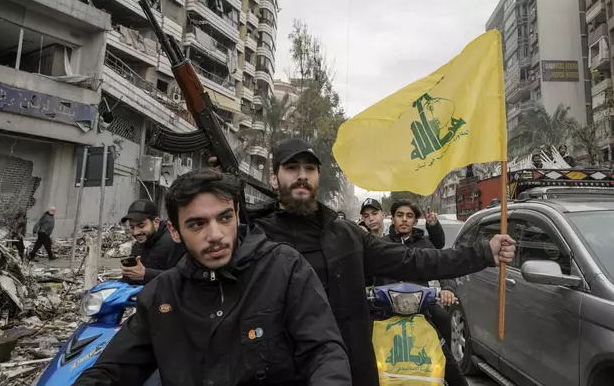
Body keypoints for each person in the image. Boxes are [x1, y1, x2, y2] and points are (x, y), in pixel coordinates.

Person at [230, 138, 516, 386]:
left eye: (309, 169)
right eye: (292, 168)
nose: (301, 176)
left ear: (318, 177)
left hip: (352, 367)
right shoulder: (253, 237)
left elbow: (413, 260)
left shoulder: (346, 234)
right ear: (274, 177)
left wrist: (482, 252)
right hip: (282, 372)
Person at [74, 168, 352, 386]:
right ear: (174, 231)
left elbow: (323, 352)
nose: (216, 234)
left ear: (237, 215)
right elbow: (115, 369)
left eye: (224, 218)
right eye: (197, 224)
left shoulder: (284, 268)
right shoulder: (161, 295)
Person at [379, 199, 465, 385]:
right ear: (392, 218)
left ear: (415, 221)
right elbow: (364, 270)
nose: (404, 220)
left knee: (442, 317)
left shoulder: (425, 244)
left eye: (409, 216)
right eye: (400, 215)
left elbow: (442, 265)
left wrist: (447, 288)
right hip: (385, 311)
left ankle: (445, 370)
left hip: (421, 309)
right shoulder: (380, 244)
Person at [119, 199, 184, 285]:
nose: (136, 232)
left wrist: (146, 274)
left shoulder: (175, 242)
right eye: (132, 227)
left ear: (156, 222)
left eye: (141, 226)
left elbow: (182, 279)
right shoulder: (138, 245)